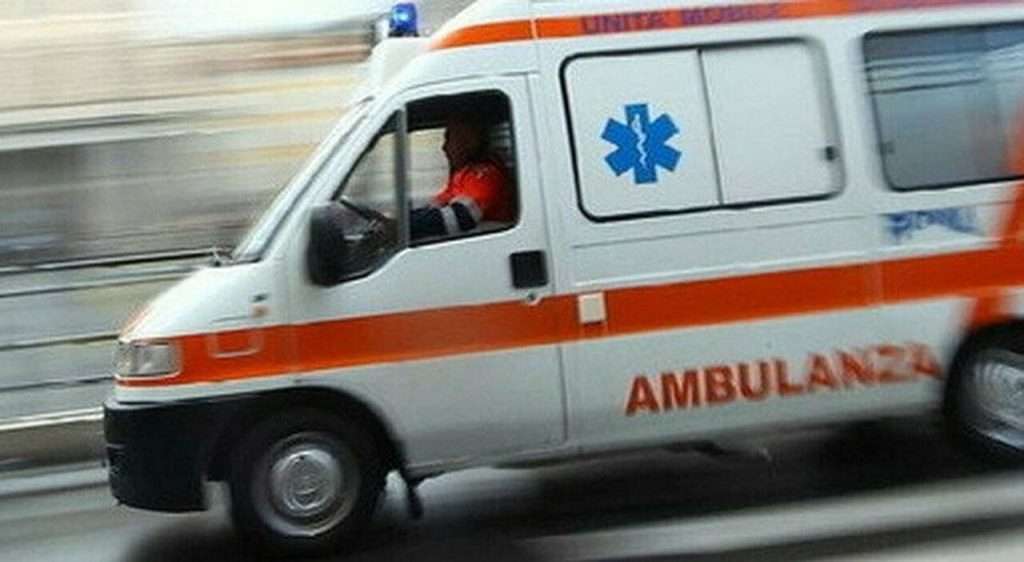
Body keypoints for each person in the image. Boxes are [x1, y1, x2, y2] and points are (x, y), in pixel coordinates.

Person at [410, 117, 514, 241]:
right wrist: (405, 221)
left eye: (449, 139)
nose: (444, 147)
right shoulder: (462, 174)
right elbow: (436, 205)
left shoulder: (485, 176)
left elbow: (462, 216)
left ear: (468, 142)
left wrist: (408, 227)